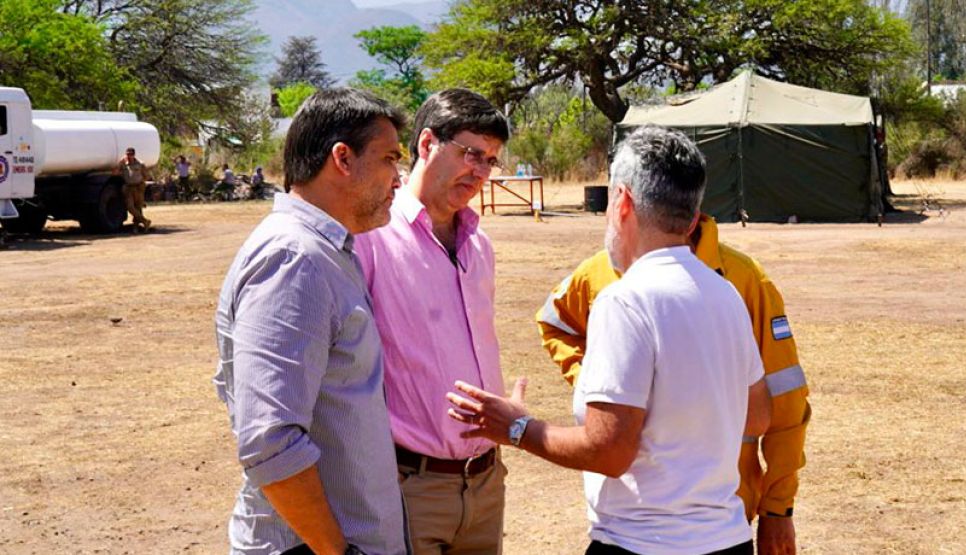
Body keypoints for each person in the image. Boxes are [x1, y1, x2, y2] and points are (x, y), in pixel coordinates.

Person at [446, 125, 772, 555]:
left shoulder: (625, 300)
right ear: (693, 217)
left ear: (621, 202)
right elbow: (758, 416)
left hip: (642, 543)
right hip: (726, 539)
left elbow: (609, 452)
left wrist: (517, 427)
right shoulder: (723, 291)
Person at [213, 87, 410, 555]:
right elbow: (271, 441)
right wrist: (335, 551)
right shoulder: (294, 258)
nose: (398, 179)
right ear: (342, 158)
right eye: (389, 159)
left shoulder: (326, 250)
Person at [536, 236, 810, 552]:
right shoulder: (601, 271)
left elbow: (784, 399)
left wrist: (778, 507)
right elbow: (555, 321)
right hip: (632, 529)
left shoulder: (742, 278)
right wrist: (594, 382)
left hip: (720, 521)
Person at [353, 88, 510, 555]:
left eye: (490, 161)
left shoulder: (479, 245)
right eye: (470, 154)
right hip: (410, 487)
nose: (480, 171)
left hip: (485, 481)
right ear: (426, 145)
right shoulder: (372, 238)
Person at [118, 147, 152, 232]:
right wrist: (120, 163)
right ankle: (145, 221)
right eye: (127, 154)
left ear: (134, 155)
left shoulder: (140, 164)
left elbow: (146, 176)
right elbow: (115, 172)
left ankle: (136, 227)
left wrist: (141, 183)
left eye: (131, 154)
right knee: (130, 207)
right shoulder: (123, 164)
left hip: (138, 188)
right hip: (129, 188)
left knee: (138, 207)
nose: (129, 156)